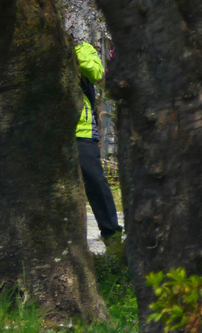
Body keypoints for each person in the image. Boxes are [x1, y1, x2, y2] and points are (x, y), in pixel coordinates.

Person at [75, 41, 122, 250]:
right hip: (45, 131)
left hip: (81, 130)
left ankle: (112, 235)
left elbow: (96, 73)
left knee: (95, 181)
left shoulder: (82, 48)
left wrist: (72, 53)